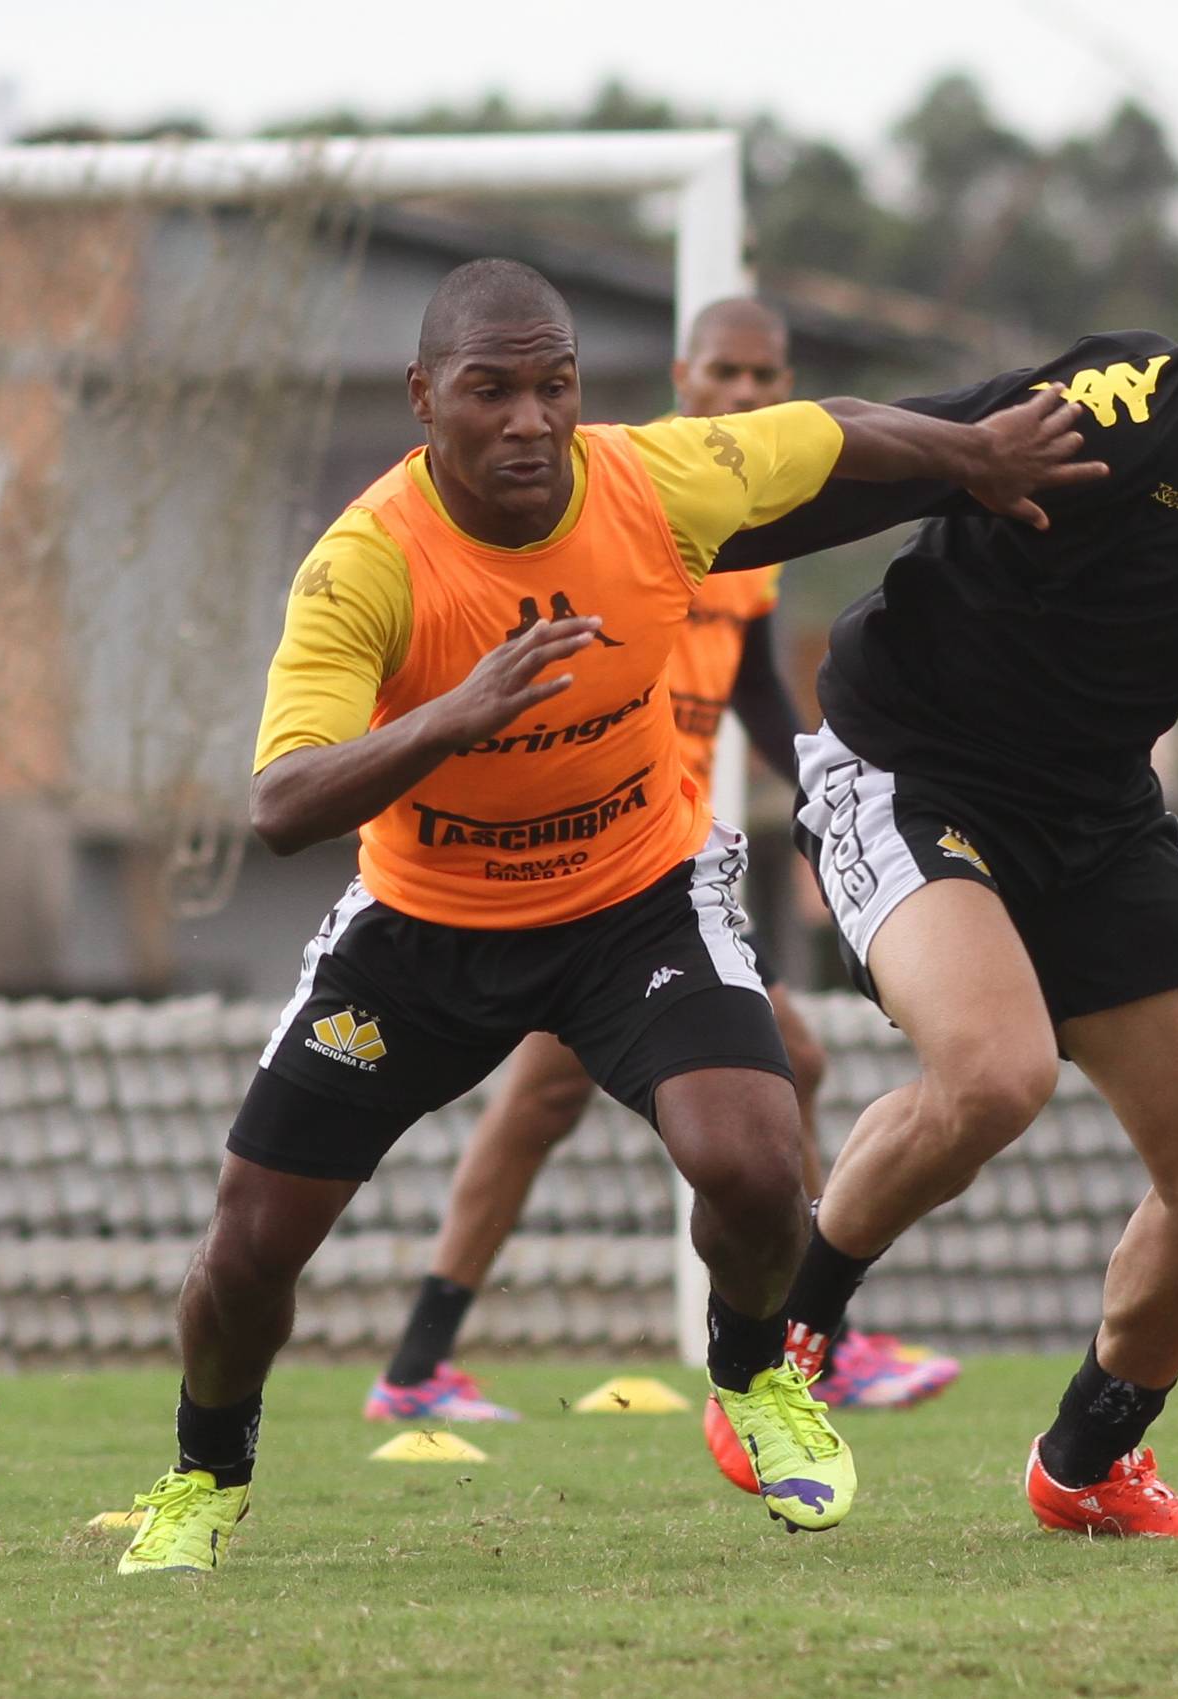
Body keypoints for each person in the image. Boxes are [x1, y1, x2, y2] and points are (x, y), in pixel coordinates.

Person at [112, 259, 1103, 1572]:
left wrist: (972, 452)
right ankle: (205, 1472)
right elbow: (281, 803)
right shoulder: (364, 563)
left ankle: (752, 1375)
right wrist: (458, 711)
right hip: (422, 929)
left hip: (633, 899)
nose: (530, 419)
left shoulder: (651, 480)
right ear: (424, 398)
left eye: (556, 385)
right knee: (249, 1247)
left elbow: (833, 431)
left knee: (756, 1165)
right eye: (491, 389)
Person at [701, 220, 1178, 1538]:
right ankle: (775, 1351)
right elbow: (904, 460)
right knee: (996, 1075)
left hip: (1096, 818)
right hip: (910, 766)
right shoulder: (1117, 408)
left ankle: (1088, 1462)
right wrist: (685, 534)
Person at [362, 298, 959, 1428]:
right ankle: (807, 1338)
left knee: (714, 1076)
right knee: (597, 1092)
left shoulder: (744, 544)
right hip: (582, 860)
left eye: (765, 375)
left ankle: (423, 1362)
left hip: (664, 865)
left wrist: (836, 781)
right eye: (726, 372)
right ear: (684, 376)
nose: (746, 393)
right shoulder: (633, 500)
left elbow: (755, 693)